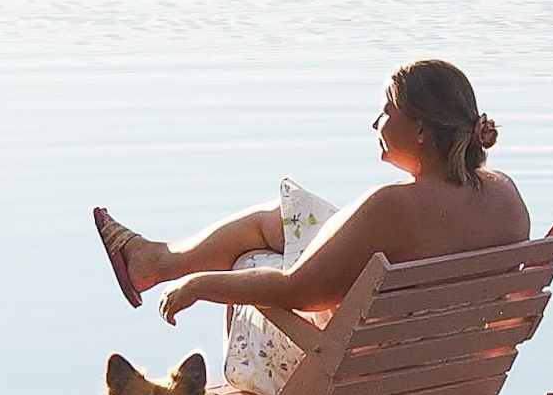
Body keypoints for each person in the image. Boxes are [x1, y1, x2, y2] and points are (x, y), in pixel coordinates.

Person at [92, 59, 529, 326]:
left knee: (251, 261)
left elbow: (301, 291)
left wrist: (200, 286)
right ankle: (153, 261)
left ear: (419, 131)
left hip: (368, 362)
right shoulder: (504, 194)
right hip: (449, 355)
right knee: (282, 216)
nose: (376, 123)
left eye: (387, 111)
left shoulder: (393, 206)